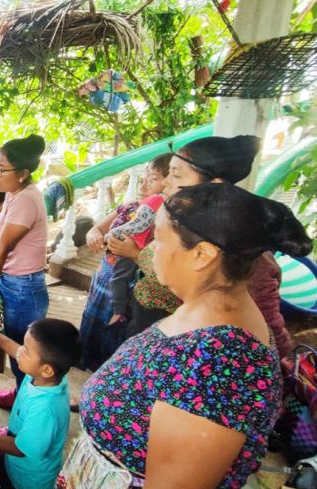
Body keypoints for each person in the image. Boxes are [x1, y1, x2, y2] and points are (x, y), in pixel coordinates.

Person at [54, 183, 312, 489]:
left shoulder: (222, 365)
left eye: (158, 239)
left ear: (202, 254)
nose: (148, 248)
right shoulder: (207, 311)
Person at [109, 136, 295, 357]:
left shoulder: (240, 248)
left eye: (176, 174)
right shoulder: (176, 219)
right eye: (168, 172)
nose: (166, 182)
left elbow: (269, 332)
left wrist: (136, 254)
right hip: (154, 323)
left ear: (214, 184)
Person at [0, 314, 81, 489]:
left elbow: (20, 448)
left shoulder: (45, 410)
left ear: (46, 369)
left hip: (29, 484)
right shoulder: (47, 378)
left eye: (27, 350)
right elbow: (14, 349)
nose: (20, 352)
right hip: (20, 461)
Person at [78, 154, 171, 371]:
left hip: (126, 285)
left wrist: (133, 251)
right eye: (146, 175)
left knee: (114, 335)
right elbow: (97, 228)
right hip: (103, 278)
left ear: (168, 184)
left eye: (154, 178)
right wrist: (93, 235)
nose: (145, 181)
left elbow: (153, 255)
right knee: (93, 327)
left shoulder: (161, 215)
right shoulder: (129, 206)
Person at [0, 134, 48, 410]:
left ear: (22, 174)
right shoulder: (15, 194)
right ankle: (20, 394)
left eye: (1, 169)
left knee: (25, 354)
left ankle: (26, 408)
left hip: (24, 287)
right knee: (17, 347)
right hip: (15, 282)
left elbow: (4, 247)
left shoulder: (26, 200)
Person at [103, 166, 168, 325]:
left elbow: (138, 225)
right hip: (135, 250)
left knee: (118, 279)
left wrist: (114, 233)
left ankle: (119, 312)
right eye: (143, 179)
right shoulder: (144, 202)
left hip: (133, 249)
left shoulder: (156, 200)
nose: (144, 184)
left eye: (152, 179)